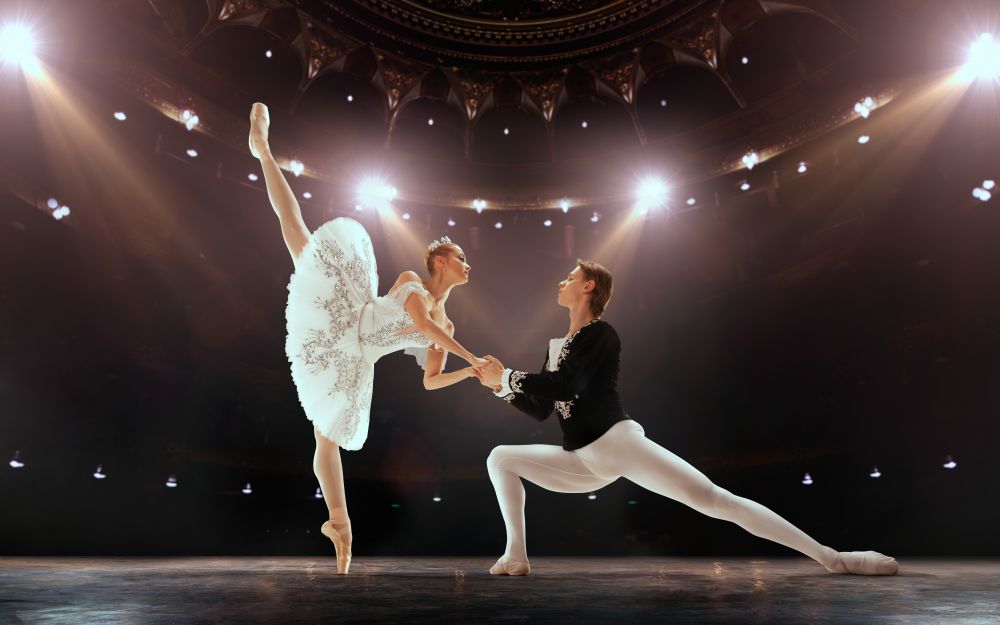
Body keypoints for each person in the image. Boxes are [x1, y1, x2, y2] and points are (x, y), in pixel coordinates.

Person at [477, 260, 898, 577]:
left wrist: (511, 376)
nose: (561, 282)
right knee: (500, 457)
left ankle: (833, 558)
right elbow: (541, 409)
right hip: (582, 459)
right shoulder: (555, 346)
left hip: (618, 444)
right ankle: (516, 555)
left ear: (588, 286)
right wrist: (499, 385)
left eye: (569, 277)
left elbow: (567, 387)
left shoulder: (601, 334)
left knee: (716, 500)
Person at [249, 102, 486, 574]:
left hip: (359, 357)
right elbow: (422, 326)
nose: (468, 265)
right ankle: (262, 151)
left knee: (328, 432)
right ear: (440, 260)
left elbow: (431, 382)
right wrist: (475, 358)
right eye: (461, 257)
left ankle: (339, 521)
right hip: (346, 310)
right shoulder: (412, 284)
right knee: (296, 232)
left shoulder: (449, 326)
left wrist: (468, 373)